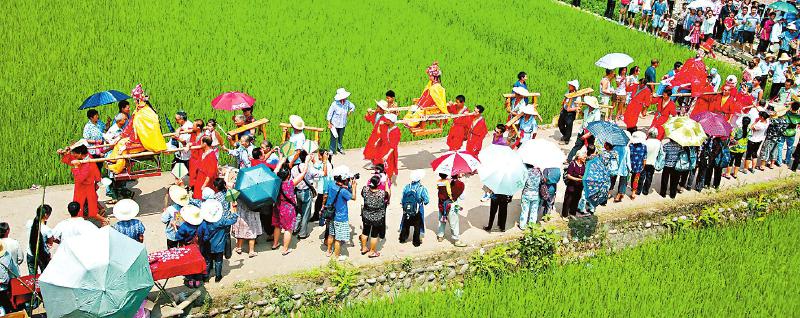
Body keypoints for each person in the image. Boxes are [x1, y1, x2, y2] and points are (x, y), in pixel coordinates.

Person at [57, 142, 104, 224]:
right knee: (91, 200)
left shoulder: (87, 164)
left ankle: (103, 220)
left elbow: (80, 178)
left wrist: (75, 167)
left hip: (86, 187)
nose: (73, 155)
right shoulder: (85, 156)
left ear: (80, 153)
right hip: (89, 185)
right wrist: (64, 154)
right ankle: (101, 210)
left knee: (89, 206)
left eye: (74, 154)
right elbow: (71, 159)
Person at [198, 197, 238, 283]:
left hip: (207, 245)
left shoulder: (204, 222)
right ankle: (218, 277)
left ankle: (206, 278)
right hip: (219, 246)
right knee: (218, 261)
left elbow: (199, 233)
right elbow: (233, 220)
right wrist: (234, 209)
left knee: (207, 261)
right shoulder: (221, 220)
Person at [325, 166, 357, 261]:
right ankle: (337, 256)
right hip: (340, 217)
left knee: (331, 234)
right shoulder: (343, 191)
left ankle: (328, 251)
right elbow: (353, 197)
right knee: (338, 239)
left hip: (331, 214)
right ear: (344, 179)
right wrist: (354, 187)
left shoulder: (331, 184)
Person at [288, 150, 321, 241]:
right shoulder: (309, 168)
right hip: (306, 192)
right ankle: (302, 233)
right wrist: (314, 162)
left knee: (298, 211)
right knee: (306, 213)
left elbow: (291, 181)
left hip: (297, 192)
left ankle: (295, 228)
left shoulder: (294, 168)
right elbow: (320, 174)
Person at [174, 204, 203, 288]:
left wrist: (175, 228)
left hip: (187, 246)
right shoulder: (201, 224)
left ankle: (190, 280)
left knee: (188, 263)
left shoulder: (184, 226)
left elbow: (178, 237)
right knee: (197, 262)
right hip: (198, 246)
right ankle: (197, 280)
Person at [360, 175, 389, 258]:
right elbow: (388, 195)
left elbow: (362, 195)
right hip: (377, 217)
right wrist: (386, 184)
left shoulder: (365, 189)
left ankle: (363, 248)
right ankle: (372, 252)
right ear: (379, 184)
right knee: (374, 234)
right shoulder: (382, 193)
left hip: (366, 214)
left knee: (365, 231)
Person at [399, 170, 429, 247]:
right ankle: (416, 241)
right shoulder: (422, 188)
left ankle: (403, 238)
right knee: (417, 225)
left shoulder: (407, 187)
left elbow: (403, 198)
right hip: (418, 209)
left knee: (405, 223)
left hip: (407, 208)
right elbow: (426, 200)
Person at [567, 96, 602, 162]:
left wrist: (587, 135)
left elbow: (595, 127)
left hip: (590, 133)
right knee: (577, 145)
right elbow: (584, 116)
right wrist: (580, 112)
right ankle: (569, 159)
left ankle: (588, 161)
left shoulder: (597, 113)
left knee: (590, 148)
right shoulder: (587, 109)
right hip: (582, 130)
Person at [436, 174, 466, 247]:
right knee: (454, 223)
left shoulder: (442, 182)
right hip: (452, 205)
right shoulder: (460, 184)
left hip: (441, 204)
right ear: (457, 174)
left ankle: (440, 236)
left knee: (442, 220)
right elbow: (462, 197)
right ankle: (456, 240)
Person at [327, 88, 356, 155]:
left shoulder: (347, 102)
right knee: (333, 137)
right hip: (334, 124)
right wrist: (329, 123)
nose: (344, 98)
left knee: (340, 137)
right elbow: (329, 113)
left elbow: (353, 106)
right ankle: (332, 150)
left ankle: (340, 148)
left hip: (343, 123)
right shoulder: (334, 104)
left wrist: (350, 111)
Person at [26, 205, 53, 275]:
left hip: (30, 253)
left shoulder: (29, 222)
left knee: (32, 276)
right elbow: (50, 244)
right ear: (46, 215)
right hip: (42, 255)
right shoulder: (47, 230)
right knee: (45, 275)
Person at [562, 149, 587, 218]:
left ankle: (572, 213)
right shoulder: (572, 164)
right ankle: (565, 215)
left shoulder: (583, 164)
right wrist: (577, 179)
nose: (585, 158)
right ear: (579, 157)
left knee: (576, 199)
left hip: (579, 186)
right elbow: (568, 176)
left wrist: (583, 177)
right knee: (568, 200)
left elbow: (583, 174)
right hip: (571, 185)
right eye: (584, 157)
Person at [638, 129, 663, 195]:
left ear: (649, 134)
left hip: (644, 162)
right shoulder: (659, 143)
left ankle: (638, 190)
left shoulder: (645, 142)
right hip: (653, 162)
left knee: (641, 176)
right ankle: (645, 191)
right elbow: (661, 154)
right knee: (649, 177)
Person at [518, 164, 543, 229]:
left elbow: (520, 184)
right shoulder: (539, 171)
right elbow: (542, 181)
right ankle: (532, 225)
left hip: (526, 194)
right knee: (534, 211)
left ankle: (522, 226)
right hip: (536, 194)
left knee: (524, 210)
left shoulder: (526, 172)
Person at [559, 80, 582, 144]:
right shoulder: (568, 91)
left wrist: (573, 109)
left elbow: (578, 106)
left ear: (574, 87)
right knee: (560, 124)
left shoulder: (577, 96)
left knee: (568, 125)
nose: (569, 86)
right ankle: (565, 135)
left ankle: (567, 139)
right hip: (564, 110)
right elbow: (565, 99)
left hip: (571, 113)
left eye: (570, 85)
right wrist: (562, 107)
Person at [379, 114, 401, 180]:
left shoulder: (396, 131)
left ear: (391, 122)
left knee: (389, 165)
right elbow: (380, 132)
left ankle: (388, 179)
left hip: (390, 151)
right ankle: (384, 176)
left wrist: (387, 155)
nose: (386, 120)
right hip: (385, 147)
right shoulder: (387, 126)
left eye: (388, 120)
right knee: (383, 163)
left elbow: (394, 145)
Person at [0, 240, 19, 314]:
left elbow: (4, 279)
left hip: (2, 289)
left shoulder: (3, 260)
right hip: (7, 287)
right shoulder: (7, 255)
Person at [628, 131, 648, 199]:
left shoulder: (630, 146)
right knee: (636, 179)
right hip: (639, 166)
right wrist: (643, 166)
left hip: (630, 165)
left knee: (628, 178)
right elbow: (644, 158)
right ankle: (633, 193)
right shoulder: (644, 147)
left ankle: (623, 191)